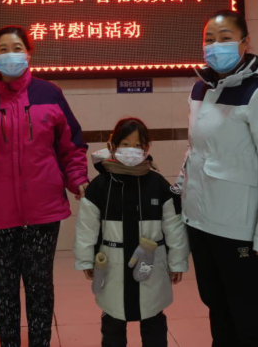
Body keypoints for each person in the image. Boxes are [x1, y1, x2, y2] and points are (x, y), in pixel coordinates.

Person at [0, 25, 89, 347]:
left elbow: (71, 146)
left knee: (40, 287)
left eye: (17, 48)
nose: (10, 55)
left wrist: (77, 180)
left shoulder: (50, 94)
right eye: (3, 49)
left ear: (29, 53)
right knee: (3, 289)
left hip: (43, 211)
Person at [176, 9, 258, 347]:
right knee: (218, 309)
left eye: (225, 38)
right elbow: (197, 152)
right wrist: (180, 196)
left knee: (252, 319)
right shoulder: (201, 89)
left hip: (240, 231)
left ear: (245, 43)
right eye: (209, 40)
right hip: (202, 225)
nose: (216, 46)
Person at [74, 118, 189, 347]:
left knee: (153, 319)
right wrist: (85, 259)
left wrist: (178, 262)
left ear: (147, 147)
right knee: (113, 321)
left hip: (151, 264)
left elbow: (174, 227)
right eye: (125, 144)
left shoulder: (158, 184)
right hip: (112, 264)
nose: (132, 150)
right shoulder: (100, 186)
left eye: (138, 145)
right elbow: (86, 228)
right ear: (113, 145)